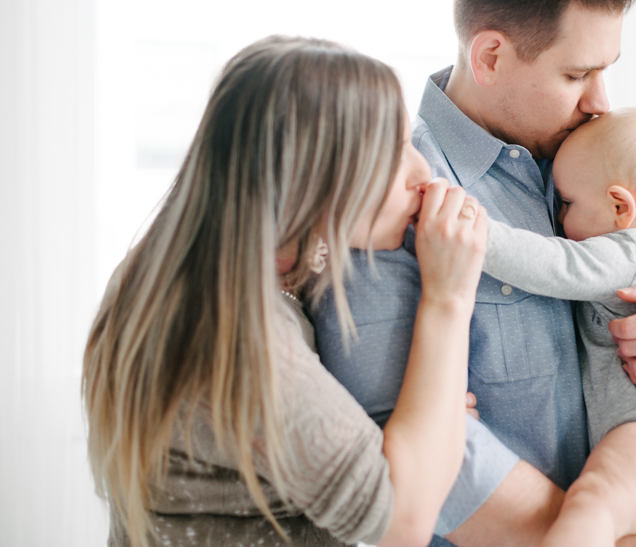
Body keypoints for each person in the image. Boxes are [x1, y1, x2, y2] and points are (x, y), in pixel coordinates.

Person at [313, 0, 636, 545]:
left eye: (606, 70)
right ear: (491, 55)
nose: (600, 100)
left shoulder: (589, 157)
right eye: (576, 75)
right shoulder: (394, 200)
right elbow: (421, 453)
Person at [82, 35, 491, 547]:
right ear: (306, 174)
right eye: (388, 153)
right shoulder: (231, 331)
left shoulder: (193, 265)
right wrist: (449, 297)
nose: (421, 172)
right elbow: (403, 521)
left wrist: (429, 423)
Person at [482, 108, 636, 547]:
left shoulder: (632, 252)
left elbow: (554, 265)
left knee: (592, 503)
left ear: (620, 207)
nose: (558, 219)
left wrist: (475, 232)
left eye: (567, 203)